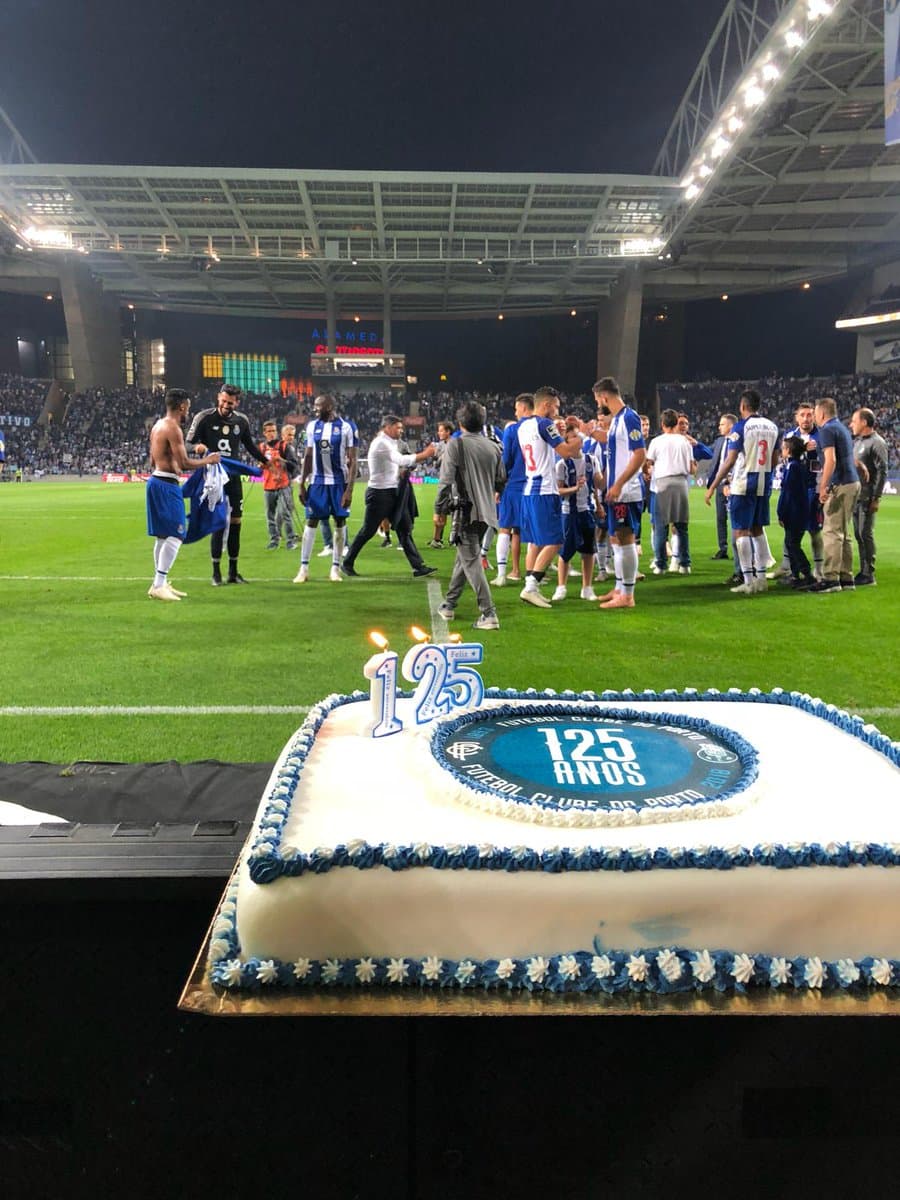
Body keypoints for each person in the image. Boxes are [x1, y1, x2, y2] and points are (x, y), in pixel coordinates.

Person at [435, 400, 506, 629]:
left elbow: (445, 481)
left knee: (471, 560)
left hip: (465, 513)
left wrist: (439, 510)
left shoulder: (455, 445)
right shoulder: (493, 447)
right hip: (488, 513)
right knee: (465, 558)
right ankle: (449, 604)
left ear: (460, 423)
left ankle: (489, 613)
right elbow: (501, 480)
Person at [186, 383, 267, 585]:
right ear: (218, 398)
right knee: (219, 522)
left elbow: (250, 446)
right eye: (223, 401)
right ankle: (216, 573)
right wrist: (197, 447)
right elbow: (186, 443)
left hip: (233, 477)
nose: (225, 405)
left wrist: (267, 462)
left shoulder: (242, 421)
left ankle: (233, 572)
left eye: (230, 403)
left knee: (236, 522)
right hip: (212, 478)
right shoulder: (204, 417)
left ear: (236, 402)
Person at [146, 389, 220, 601]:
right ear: (182, 406)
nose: (188, 411)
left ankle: (159, 583)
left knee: (163, 535)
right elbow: (185, 463)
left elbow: (152, 460)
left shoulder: (158, 425)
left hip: (156, 480)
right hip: (167, 485)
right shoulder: (173, 428)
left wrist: (169, 464)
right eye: (188, 407)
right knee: (178, 534)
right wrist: (208, 460)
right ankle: (158, 584)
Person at [704, 389, 779, 597]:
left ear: (743, 406)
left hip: (743, 484)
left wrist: (713, 486)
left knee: (740, 531)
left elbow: (730, 460)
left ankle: (748, 581)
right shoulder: (773, 427)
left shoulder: (741, 427)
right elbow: (774, 460)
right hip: (764, 484)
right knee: (757, 529)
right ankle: (761, 579)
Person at [341, 415, 436, 577]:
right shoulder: (381, 443)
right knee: (368, 531)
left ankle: (418, 567)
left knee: (404, 529)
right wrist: (425, 454)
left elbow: (391, 465)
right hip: (379, 494)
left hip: (392, 491)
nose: (401, 430)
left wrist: (400, 473)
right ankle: (347, 563)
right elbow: (400, 459)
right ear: (388, 427)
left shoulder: (390, 442)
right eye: (398, 427)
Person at [517, 385, 579, 608]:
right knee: (555, 540)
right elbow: (567, 452)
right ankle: (530, 587)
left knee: (536, 541)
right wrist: (581, 433)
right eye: (556, 407)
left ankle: (531, 586)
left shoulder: (523, 426)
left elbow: (544, 449)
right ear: (546, 404)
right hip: (544, 490)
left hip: (529, 489)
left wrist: (558, 434)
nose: (557, 411)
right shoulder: (544, 424)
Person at [592, 376, 645, 609]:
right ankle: (620, 587)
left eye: (597, 400)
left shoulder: (629, 418)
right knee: (615, 538)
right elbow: (617, 446)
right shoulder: (617, 420)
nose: (598, 404)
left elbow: (639, 454)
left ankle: (628, 595)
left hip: (626, 491)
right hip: (617, 491)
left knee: (625, 539)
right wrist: (592, 433)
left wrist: (619, 484)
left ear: (604, 397)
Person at [293, 393, 358, 583]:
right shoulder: (312, 426)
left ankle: (335, 568)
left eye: (318, 405)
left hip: (339, 483)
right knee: (311, 522)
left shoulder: (347, 427)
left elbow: (353, 461)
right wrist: (302, 484)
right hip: (318, 482)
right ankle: (303, 568)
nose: (314, 409)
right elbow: (308, 456)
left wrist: (349, 490)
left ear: (329, 407)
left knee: (340, 522)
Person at [809, 397, 859, 593]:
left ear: (822, 413)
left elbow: (831, 460)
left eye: (815, 413)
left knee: (831, 531)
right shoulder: (841, 428)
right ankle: (846, 577)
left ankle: (831, 579)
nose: (814, 416)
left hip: (840, 484)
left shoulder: (827, 430)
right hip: (852, 482)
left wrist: (823, 486)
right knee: (844, 533)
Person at [645, 408, 694, 575]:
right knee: (682, 527)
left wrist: (647, 471)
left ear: (662, 424)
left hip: (663, 483)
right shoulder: (685, 442)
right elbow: (691, 466)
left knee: (661, 527)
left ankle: (660, 565)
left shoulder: (657, 441)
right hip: (681, 483)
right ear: (676, 423)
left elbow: (648, 462)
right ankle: (685, 565)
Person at [552, 425, 598, 601]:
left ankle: (587, 588)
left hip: (587, 510)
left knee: (588, 551)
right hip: (569, 512)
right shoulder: (562, 464)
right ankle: (561, 587)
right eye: (573, 436)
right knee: (565, 552)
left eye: (577, 435)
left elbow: (598, 485)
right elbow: (559, 490)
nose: (577, 438)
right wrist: (574, 488)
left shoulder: (591, 460)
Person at [492, 395, 533, 587]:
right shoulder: (542, 427)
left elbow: (506, 460)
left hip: (514, 485)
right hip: (534, 486)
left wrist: (499, 486)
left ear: (523, 408)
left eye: (517, 409)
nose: (515, 413)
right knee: (524, 531)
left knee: (505, 528)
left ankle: (502, 575)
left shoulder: (512, 430)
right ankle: (529, 574)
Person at [850, 406, 888, 586]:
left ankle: (868, 574)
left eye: (854, 421)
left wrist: (876, 498)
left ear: (864, 422)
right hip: (856, 496)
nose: (851, 424)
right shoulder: (857, 442)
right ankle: (863, 571)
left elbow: (882, 471)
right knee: (859, 534)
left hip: (867, 497)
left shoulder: (877, 443)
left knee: (865, 533)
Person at [776, 436, 815, 589]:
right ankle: (795, 575)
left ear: (788, 450)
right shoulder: (799, 465)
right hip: (800, 510)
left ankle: (807, 574)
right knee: (791, 543)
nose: (781, 450)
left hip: (794, 512)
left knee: (792, 544)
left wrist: (781, 512)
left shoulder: (792, 467)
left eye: (783, 448)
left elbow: (787, 493)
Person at [259, 420, 298, 551]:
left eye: (274, 431)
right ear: (264, 433)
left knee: (285, 513)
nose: (272, 433)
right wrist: (260, 466)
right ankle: (274, 540)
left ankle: (290, 540)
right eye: (269, 431)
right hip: (268, 485)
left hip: (283, 485)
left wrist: (282, 460)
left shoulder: (284, 446)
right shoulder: (262, 448)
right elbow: (260, 467)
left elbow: (294, 465)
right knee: (269, 515)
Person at [709, 413, 736, 560]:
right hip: (719, 484)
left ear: (731, 426)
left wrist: (729, 482)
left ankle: (739, 548)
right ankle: (723, 549)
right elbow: (708, 451)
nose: (719, 427)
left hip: (734, 485)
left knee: (735, 518)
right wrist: (694, 445)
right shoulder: (720, 441)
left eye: (722, 424)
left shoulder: (738, 441)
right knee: (720, 517)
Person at [428, 421, 455, 548]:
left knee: (455, 512)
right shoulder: (440, 445)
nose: (439, 433)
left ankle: (454, 538)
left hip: (454, 483)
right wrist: (438, 457)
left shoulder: (455, 444)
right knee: (441, 510)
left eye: (441, 430)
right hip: (444, 480)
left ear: (448, 431)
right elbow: (436, 464)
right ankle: (437, 539)